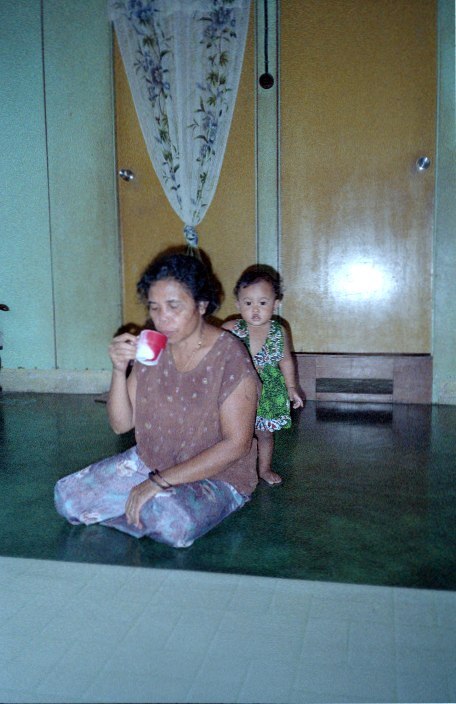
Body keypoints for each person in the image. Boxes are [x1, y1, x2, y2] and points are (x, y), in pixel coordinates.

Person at [54, 251, 261, 548]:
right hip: (152, 462)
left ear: (201, 304)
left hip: (217, 474)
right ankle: (144, 506)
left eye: (174, 306)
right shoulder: (152, 347)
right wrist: (118, 369)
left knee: (169, 520)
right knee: (69, 498)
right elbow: (120, 424)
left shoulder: (230, 356)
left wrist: (157, 483)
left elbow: (237, 445)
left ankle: (154, 505)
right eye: (155, 307)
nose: (163, 319)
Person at [223, 265, 304, 486]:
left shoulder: (279, 331)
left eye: (263, 303)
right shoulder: (231, 329)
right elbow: (214, 352)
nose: (255, 310)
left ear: (275, 304)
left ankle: (264, 468)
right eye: (248, 303)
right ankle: (231, 467)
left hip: (268, 392)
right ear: (238, 304)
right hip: (238, 391)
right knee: (234, 432)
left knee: (265, 433)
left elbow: (285, 360)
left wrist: (291, 387)